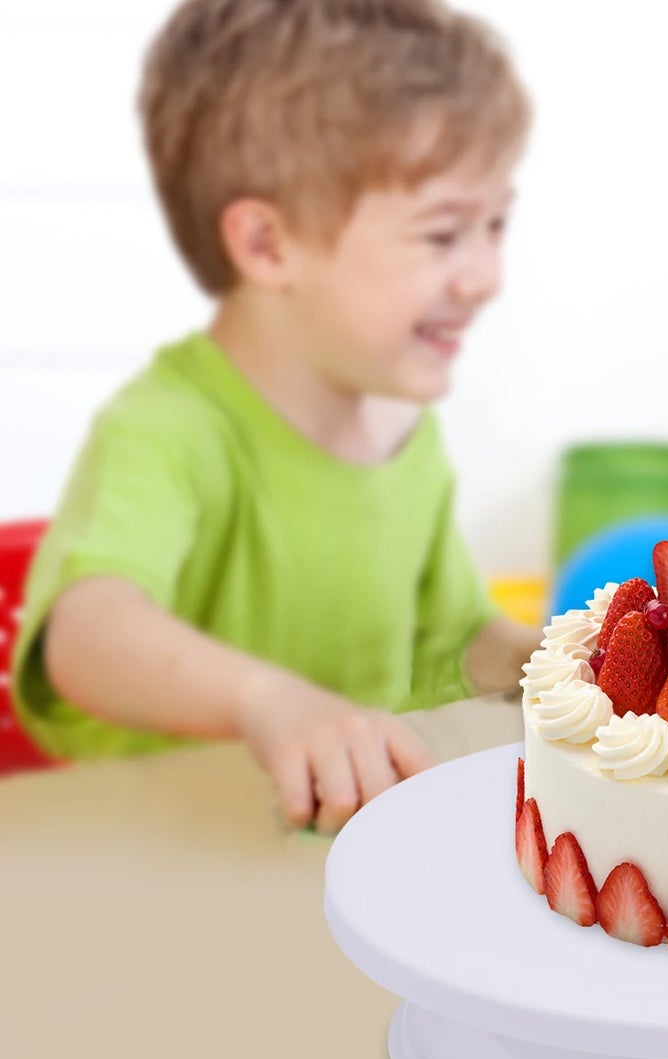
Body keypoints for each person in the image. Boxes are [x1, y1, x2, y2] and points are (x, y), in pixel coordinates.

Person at [13, 0, 536, 832]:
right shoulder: (167, 429)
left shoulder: (406, 428)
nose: (485, 276)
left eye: (495, 225)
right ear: (266, 245)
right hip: (167, 861)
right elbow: (85, 634)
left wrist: (556, 659)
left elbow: (450, 640)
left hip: (331, 859)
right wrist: (267, 701)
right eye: (442, 236)